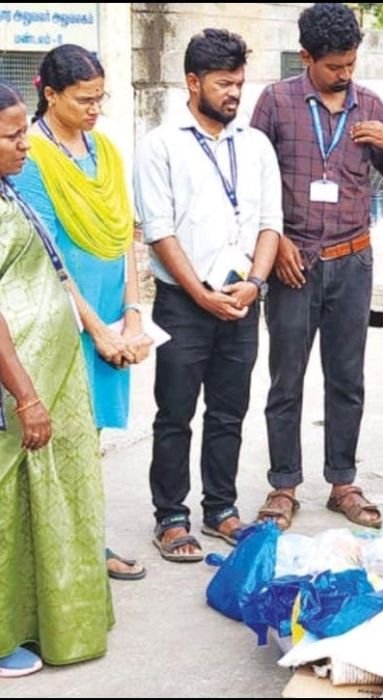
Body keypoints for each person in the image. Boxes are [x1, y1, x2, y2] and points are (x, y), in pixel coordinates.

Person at [250, 3, 383, 530]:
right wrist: (274, 248)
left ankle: (343, 481)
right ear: (305, 57)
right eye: (334, 67)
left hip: (351, 261)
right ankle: (283, 486)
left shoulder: (371, 106)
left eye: (350, 64)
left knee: (347, 379)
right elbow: (256, 186)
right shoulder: (275, 104)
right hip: (293, 265)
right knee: (286, 380)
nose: (345, 76)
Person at [134, 29, 282, 562]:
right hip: (183, 304)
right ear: (192, 82)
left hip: (242, 301)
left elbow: (270, 224)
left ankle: (221, 508)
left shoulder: (255, 145)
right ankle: (170, 517)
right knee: (174, 413)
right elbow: (158, 230)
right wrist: (200, 294)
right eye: (223, 83)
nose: (234, 94)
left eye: (239, 83)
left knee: (228, 411)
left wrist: (256, 284)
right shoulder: (161, 144)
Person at [11, 44, 151, 582]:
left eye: (100, 98)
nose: (95, 108)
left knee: (89, 437)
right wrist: (95, 331)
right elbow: (50, 259)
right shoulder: (31, 161)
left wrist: (133, 316)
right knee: (55, 437)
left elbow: (122, 239)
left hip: (111, 313)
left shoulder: (107, 153)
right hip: (62, 319)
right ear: (50, 94)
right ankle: (59, 553)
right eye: (83, 99)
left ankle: (87, 540)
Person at [0, 82, 110, 677]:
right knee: (7, 510)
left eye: (24, 132)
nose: (25, 145)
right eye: (13, 136)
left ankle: (46, 618)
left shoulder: (8, 191)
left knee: (45, 505)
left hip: (46, 368)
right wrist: (26, 396)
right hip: (17, 387)